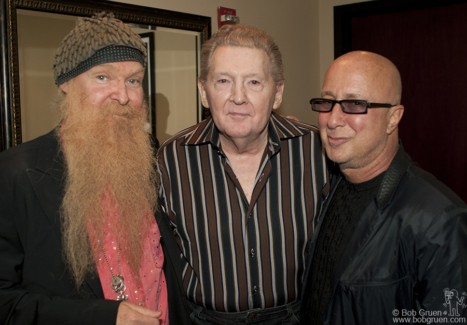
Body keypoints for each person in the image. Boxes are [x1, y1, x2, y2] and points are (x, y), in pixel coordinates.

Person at [0, 13, 189, 325]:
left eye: (134, 80)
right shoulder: (16, 174)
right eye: (103, 77)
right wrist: (104, 317)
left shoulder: (155, 160)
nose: (124, 96)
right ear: (66, 84)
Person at [157, 24, 328, 324]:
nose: (238, 97)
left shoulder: (316, 152)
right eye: (223, 81)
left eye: (253, 82)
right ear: (203, 91)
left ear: (277, 93)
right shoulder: (171, 160)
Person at [300, 50, 467, 324]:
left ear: (393, 118)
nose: (332, 120)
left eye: (354, 104)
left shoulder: (439, 221)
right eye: (327, 102)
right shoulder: (330, 187)